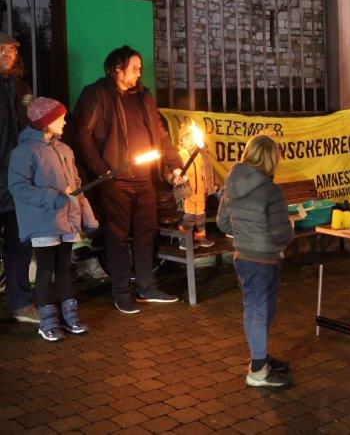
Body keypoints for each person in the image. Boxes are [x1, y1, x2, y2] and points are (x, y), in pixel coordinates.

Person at [71, 45, 185, 314]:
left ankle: (147, 286)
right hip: (116, 181)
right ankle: (121, 292)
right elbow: (81, 134)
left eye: (140, 68)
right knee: (118, 237)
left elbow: (160, 134)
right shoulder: (96, 94)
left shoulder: (143, 97)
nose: (138, 73)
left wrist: (174, 166)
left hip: (145, 179)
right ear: (116, 68)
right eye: (133, 68)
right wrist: (102, 170)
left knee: (146, 233)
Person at [8, 97, 98, 341]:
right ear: (47, 122)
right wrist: (55, 197)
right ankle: (47, 321)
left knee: (64, 268)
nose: (65, 121)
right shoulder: (24, 151)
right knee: (46, 270)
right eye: (60, 117)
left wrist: (86, 215)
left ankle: (70, 316)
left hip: (66, 220)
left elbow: (76, 187)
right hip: (43, 222)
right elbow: (18, 187)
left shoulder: (64, 150)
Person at [217, 135, 293, 388]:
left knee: (256, 311)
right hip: (265, 260)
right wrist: (290, 225)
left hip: (243, 258)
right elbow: (281, 233)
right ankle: (258, 371)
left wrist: (245, 231)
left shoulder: (231, 183)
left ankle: (258, 358)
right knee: (261, 313)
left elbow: (223, 223)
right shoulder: (272, 191)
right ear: (272, 159)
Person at [0, 31, 37, 323]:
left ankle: (21, 302)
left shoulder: (23, 88)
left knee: (20, 244)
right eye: (0, 49)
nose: (6, 55)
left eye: (10, 50)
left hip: (18, 182)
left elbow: (33, 125)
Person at [175, 122, 219, 249]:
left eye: (192, 138)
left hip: (200, 193)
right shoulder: (178, 156)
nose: (190, 141)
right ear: (181, 140)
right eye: (186, 138)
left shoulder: (201, 155)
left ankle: (200, 237)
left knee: (200, 217)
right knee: (189, 217)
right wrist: (174, 178)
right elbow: (169, 172)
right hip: (186, 193)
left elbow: (210, 170)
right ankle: (183, 238)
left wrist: (214, 183)